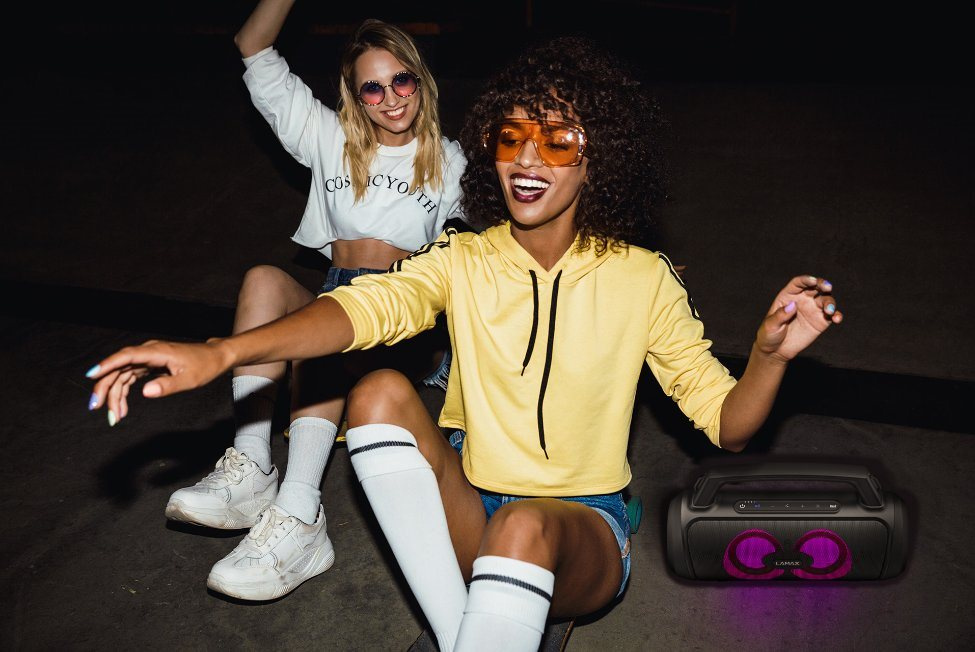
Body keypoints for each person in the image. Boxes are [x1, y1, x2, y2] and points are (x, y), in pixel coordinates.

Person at [88, 37, 842, 650]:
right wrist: (225, 352)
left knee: (523, 525)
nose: (528, 159)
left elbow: (729, 425)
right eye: (512, 137)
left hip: (581, 525)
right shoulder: (464, 258)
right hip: (472, 505)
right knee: (378, 392)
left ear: (598, 158)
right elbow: (362, 308)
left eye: (558, 141)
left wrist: (769, 357)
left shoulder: (642, 278)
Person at [92, 0, 465, 601]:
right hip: (335, 294)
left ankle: (301, 509)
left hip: (399, 322)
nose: (391, 98)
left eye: (402, 80)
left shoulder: (449, 160)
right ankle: (252, 468)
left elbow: (506, 231)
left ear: (420, 79)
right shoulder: (328, 136)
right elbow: (253, 45)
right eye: (372, 89)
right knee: (265, 280)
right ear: (355, 98)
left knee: (329, 323)